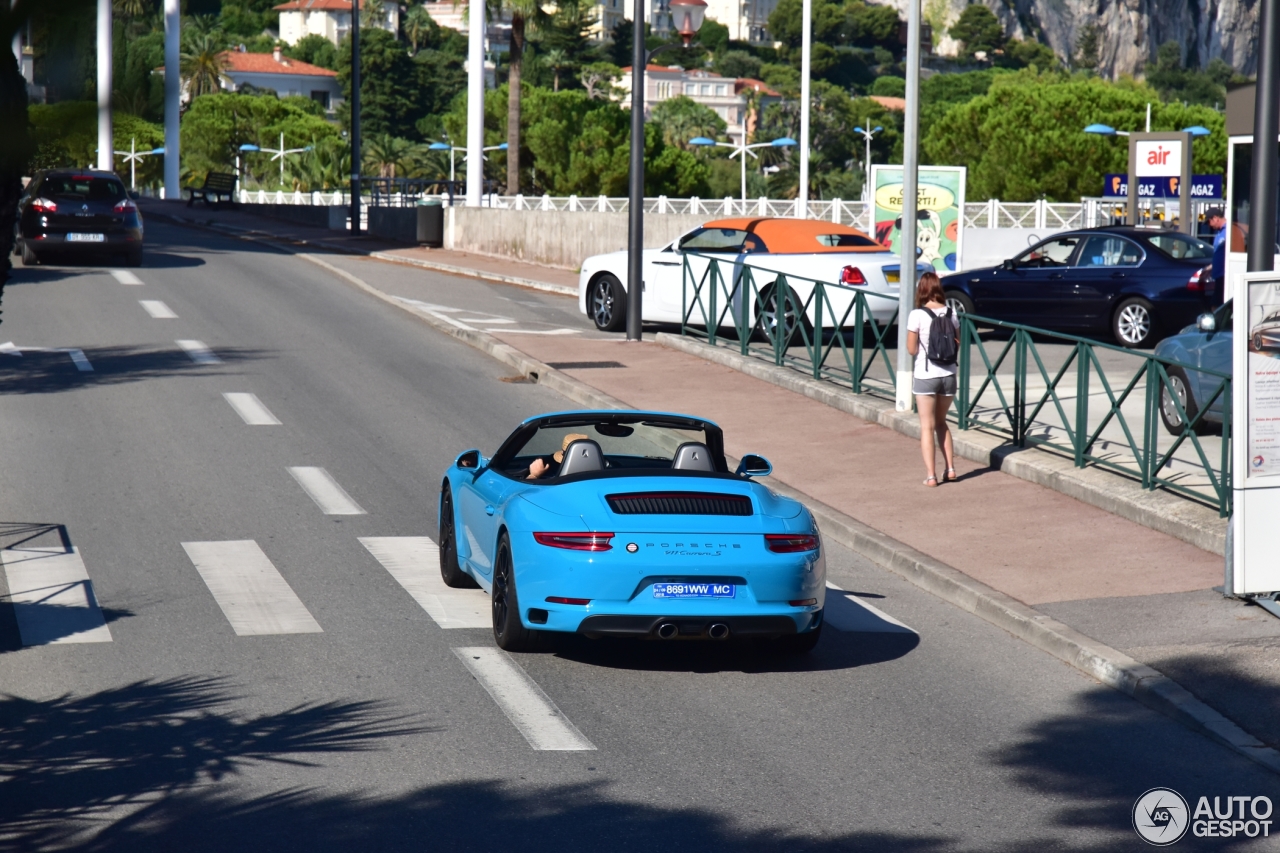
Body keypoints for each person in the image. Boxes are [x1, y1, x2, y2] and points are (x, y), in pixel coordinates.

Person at [906, 272, 959, 487]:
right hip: (948, 376)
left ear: (922, 290)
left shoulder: (917, 315)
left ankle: (931, 475)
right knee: (941, 422)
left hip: (926, 375)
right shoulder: (952, 313)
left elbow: (911, 349)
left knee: (926, 426)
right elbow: (957, 343)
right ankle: (951, 469)